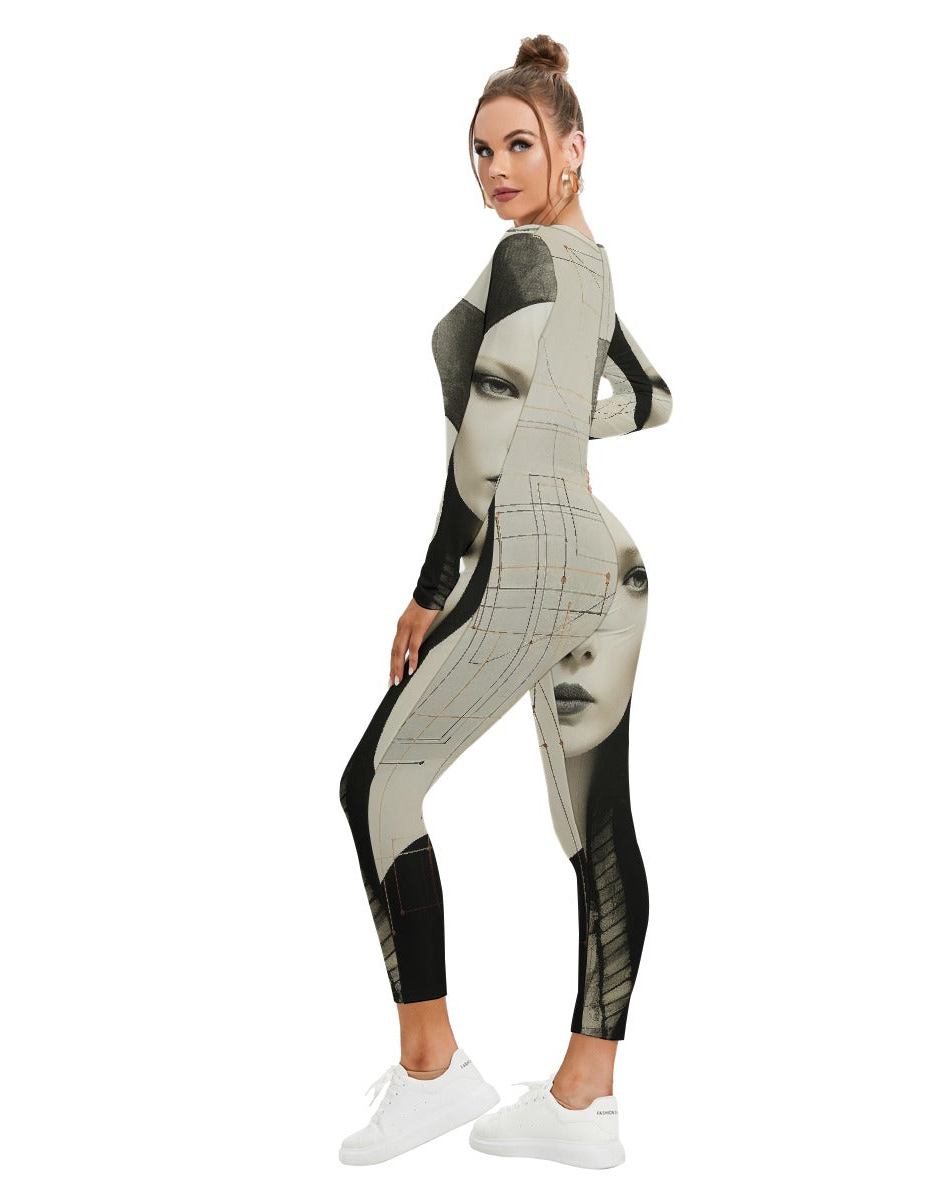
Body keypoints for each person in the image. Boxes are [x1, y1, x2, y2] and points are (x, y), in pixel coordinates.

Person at [338, 33, 673, 1170]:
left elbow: (485, 441)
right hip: (606, 561)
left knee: (376, 785)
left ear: (574, 148)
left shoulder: (527, 258)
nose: (495, 169)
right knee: (597, 825)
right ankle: (585, 1098)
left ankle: (433, 1071)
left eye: (519, 145)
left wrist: (430, 590)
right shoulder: (591, 269)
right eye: (480, 152)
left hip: (527, 551)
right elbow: (651, 399)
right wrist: (562, 433)